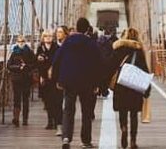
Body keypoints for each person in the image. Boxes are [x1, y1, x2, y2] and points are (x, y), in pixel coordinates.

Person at [52, 17, 104, 149]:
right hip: (87, 82)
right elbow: (98, 64)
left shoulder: (67, 42)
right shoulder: (91, 43)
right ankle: (85, 141)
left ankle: (66, 137)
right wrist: (98, 84)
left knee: (68, 109)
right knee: (86, 111)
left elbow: (57, 60)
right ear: (87, 29)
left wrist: (57, 79)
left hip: (69, 81)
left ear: (76, 27)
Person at [110, 28, 151, 149]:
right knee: (133, 114)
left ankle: (123, 128)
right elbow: (145, 70)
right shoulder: (139, 51)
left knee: (122, 111)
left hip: (121, 85)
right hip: (134, 86)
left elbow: (111, 66)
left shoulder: (118, 49)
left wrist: (105, 84)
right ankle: (133, 140)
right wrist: (147, 89)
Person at [6, 35, 36, 127]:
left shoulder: (30, 52)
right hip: (17, 79)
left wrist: (26, 67)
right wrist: (18, 67)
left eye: (22, 41)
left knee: (25, 99)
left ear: (25, 42)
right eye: (19, 41)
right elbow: (9, 65)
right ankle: (16, 118)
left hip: (26, 78)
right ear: (17, 42)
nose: (21, 43)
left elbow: (34, 64)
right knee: (17, 99)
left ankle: (25, 119)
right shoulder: (14, 52)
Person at [35, 29, 61, 130]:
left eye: (50, 36)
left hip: (55, 77)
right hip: (44, 77)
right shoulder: (40, 48)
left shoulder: (57, 47)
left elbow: (58, 61)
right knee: (47, 100)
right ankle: (50, 121)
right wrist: (41, 76)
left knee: (55, 100)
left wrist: (48, 63)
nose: (48, 38)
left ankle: (56, 121)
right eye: (46, 36)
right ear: (43, 38)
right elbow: (38, 63)